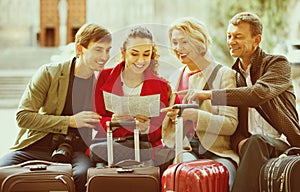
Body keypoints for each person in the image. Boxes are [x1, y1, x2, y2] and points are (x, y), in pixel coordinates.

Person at [182, 12, 300, 192]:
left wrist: (207, 95)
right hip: (251, 146)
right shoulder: (234, 75)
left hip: (283, 141)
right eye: (229, 36)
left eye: (238, 36)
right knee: (252, 143)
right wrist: (239, 143)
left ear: (256, 40)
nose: (231, 41)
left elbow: (257, 94)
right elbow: (235, 123)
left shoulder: (278, 64)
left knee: (256, 141)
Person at [0, 23, 112, 192]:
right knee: (2, 172)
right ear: (80, 49)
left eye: (108, 49)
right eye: (98, 49)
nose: (105, 56)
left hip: (75, 151)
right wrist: (70, 121)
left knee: (83, 175)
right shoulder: (49, 73)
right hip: (36, 146)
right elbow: (22, 117)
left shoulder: (102, 84)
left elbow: (107, 119)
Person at [161, 17, 239, 190]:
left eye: (184, 42)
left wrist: (195, 115)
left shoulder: (224, 75)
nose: (177, 48)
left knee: (225, 177)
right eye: (174, 42)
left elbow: (230, 125)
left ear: (200, 42)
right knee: (185, 175)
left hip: (218, 152)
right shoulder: (176, 76)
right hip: (185, 149)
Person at [94, 26, 171, 148]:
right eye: (134, 54)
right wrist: (111, 123)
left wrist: (147, 128)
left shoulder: (161, 85)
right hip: (109, 146)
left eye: (146, 54)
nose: (140, 60)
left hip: (145, 148)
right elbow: (96, 117)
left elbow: (163, 129)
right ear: (123, 52)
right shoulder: (105, 76)